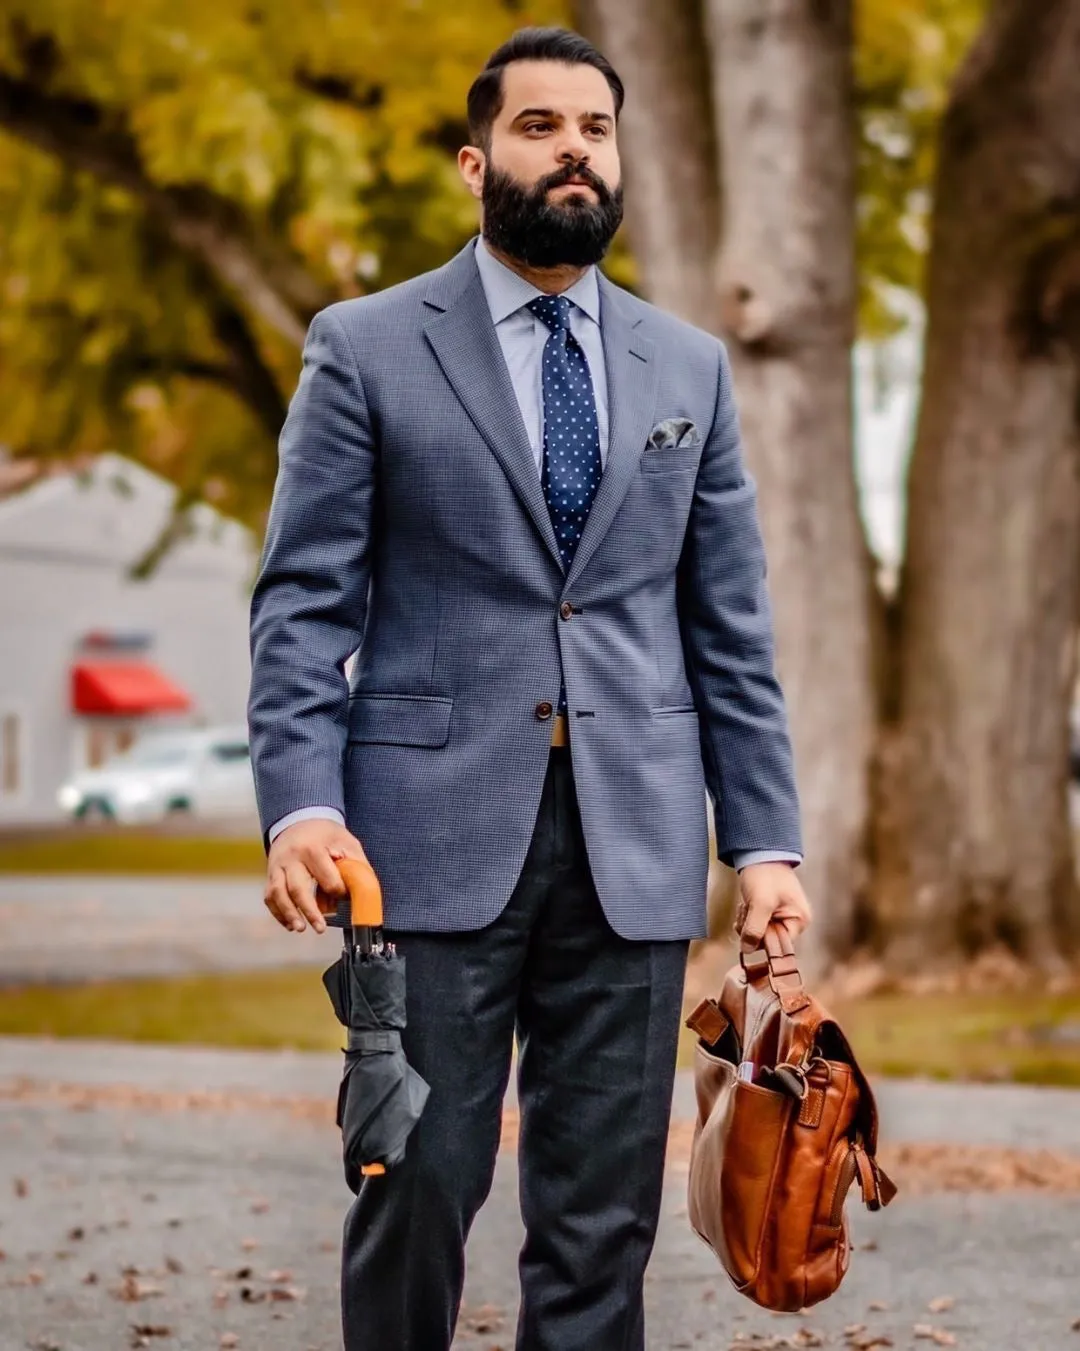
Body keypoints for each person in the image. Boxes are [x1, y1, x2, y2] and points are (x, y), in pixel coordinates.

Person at [247, 25, 811, 1351]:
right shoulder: (366, 347)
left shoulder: (690, 367)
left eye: (596, 130)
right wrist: (297, 806)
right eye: (540, 126)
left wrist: (769, 844)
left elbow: (729, 629)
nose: (573, 151)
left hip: (637, 841)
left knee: (601, 1214)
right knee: (415, 1175)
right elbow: (303, 598)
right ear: (474, 158)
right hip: (425, 842)